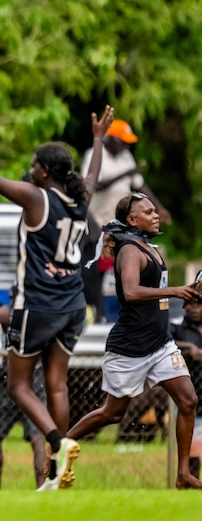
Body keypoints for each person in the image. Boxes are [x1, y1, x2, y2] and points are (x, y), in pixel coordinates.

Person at [0, 90, 114, 490]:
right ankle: (57, 466)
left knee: (18, 385)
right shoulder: (79, 198)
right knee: (56, 383)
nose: (30, 169)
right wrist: (99, 141)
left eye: (34, 165)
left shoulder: (36, 198)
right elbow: (91, 177)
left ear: (44, 172)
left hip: (37, 303)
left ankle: (59, 443)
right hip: (73, 303)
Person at [66, 193, 202, 489]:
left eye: (155, 210)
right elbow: (130, 292)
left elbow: (160, 290)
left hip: (160, 343)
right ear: (132, 219)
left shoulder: (149, 248)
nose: (156, 215)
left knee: (188, 400)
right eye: (148, 211)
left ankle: (183, 474)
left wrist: (188, 291)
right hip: (129, 348)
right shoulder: (129, 250)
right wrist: (177, 291)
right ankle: (62, 443)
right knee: (112, 414)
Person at [81, 119, 171, 322]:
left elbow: (139, 185)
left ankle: (131, 316)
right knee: (95, 273)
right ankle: (96, 316)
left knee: (127, 268)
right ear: (111, 139)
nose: (126, 145)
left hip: (122, 225)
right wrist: (126, 173)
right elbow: (97, 184)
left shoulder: (126, 157)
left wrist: (158, 207)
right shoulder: (95, 155)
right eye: (123, 141)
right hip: (98, 224)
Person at [0, 303, 46, 490]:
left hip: (12, 377)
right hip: (35, 379)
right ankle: (42, 488)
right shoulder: (44, 310)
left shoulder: (10, 311)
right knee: (37, 438)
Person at [170, 298, 202, 478]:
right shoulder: (178, 328)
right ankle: (192, 483)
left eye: (198, 304)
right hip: (192, 400)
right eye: (188, 304)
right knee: (193, 452)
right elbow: (163, 341)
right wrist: (190, 348)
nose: (192, 308)